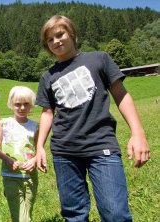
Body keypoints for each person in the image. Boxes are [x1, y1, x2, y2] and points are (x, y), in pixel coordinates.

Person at [35, 15, 150, 222]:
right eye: (50, 40)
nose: (56, 42)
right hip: (64, 151)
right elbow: (47, 112)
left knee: (115, 214)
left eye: (59, 35)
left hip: (101, 145)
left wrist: (138, 133)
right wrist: (39, 147)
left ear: (71, 33)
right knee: (74, 215)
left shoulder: (99, 59)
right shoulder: (48, 77)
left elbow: (121, 95)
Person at [0, 86, 38, 222]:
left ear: (31, 106)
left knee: (27, 214)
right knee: (22, 218)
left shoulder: (35, 126)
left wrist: (35, 160)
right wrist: (8, 159)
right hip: (10, 175)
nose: (22, 108)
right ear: (11, 104)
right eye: (18, 104)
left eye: (26, 104)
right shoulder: (4, 123)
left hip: (31, 177)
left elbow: (39, 149)